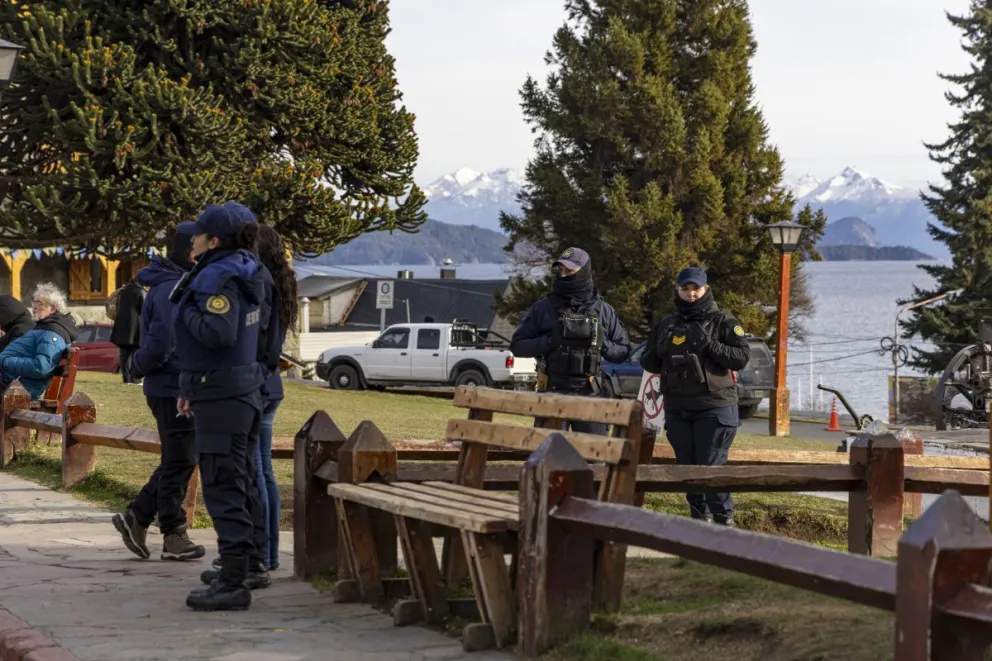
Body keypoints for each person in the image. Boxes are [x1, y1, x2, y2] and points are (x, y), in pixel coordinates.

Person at [173, 204, 267, 611]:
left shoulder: (216, 276)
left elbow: (219, 334)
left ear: (213, 241)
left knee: (222, 485)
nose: (191, 240)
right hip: (243, 387)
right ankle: (246, 564)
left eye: (197, 234)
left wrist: (188, 312)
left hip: (222, 393)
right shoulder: (249, 269)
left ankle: (233, 582)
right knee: (241, 479)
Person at [111, 230, 206, 562]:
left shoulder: (180, 282)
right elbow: (163, 343)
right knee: (181, 459)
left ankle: (137, 517)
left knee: (180, 458)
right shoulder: (170, 288)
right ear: (190, 253)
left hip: (177, 384)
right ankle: (173, 533)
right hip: (171, 387)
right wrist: (137, 366)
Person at [639, 267, 750, 526]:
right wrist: (658, 350)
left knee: (710, 468)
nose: (690, 294)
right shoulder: (667, 324)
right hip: (678, 408)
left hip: (714, 407)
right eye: (685, 289)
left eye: (696, 289)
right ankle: (699, 523)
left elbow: (741, 358)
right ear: (677, 290)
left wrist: (709, 345)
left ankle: (724, 525)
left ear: (706, 289)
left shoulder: (723, 321)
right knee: (687, 468)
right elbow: (648, 362)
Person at [509, 247, 630, 435]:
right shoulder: (543, 308)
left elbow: (623, 352)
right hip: (553, 393)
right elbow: (517, 346)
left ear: (584, 271)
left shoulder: (603, 310)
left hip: (590, 392)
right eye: (561, 270)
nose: (564, 275)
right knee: (549, 452)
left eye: (570, 270)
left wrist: (602, 344)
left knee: (594, 452)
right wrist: (550, 341)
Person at [0, 283, 79, 399]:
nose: (34, 307)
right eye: (35, 302)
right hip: (11, 384)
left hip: (16, 389)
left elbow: (41, 367)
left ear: (52, 308)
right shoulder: (45, 327)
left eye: (40, 303)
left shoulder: (53, 331)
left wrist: (5, 361)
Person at [110, 278, 146, 384]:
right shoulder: (140, 292)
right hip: (136, 327)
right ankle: (135, 378)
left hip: (121, 326)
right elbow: (144, 310)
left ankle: (126, 378)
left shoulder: (122, 291)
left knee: (124, 354)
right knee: (136, 353)